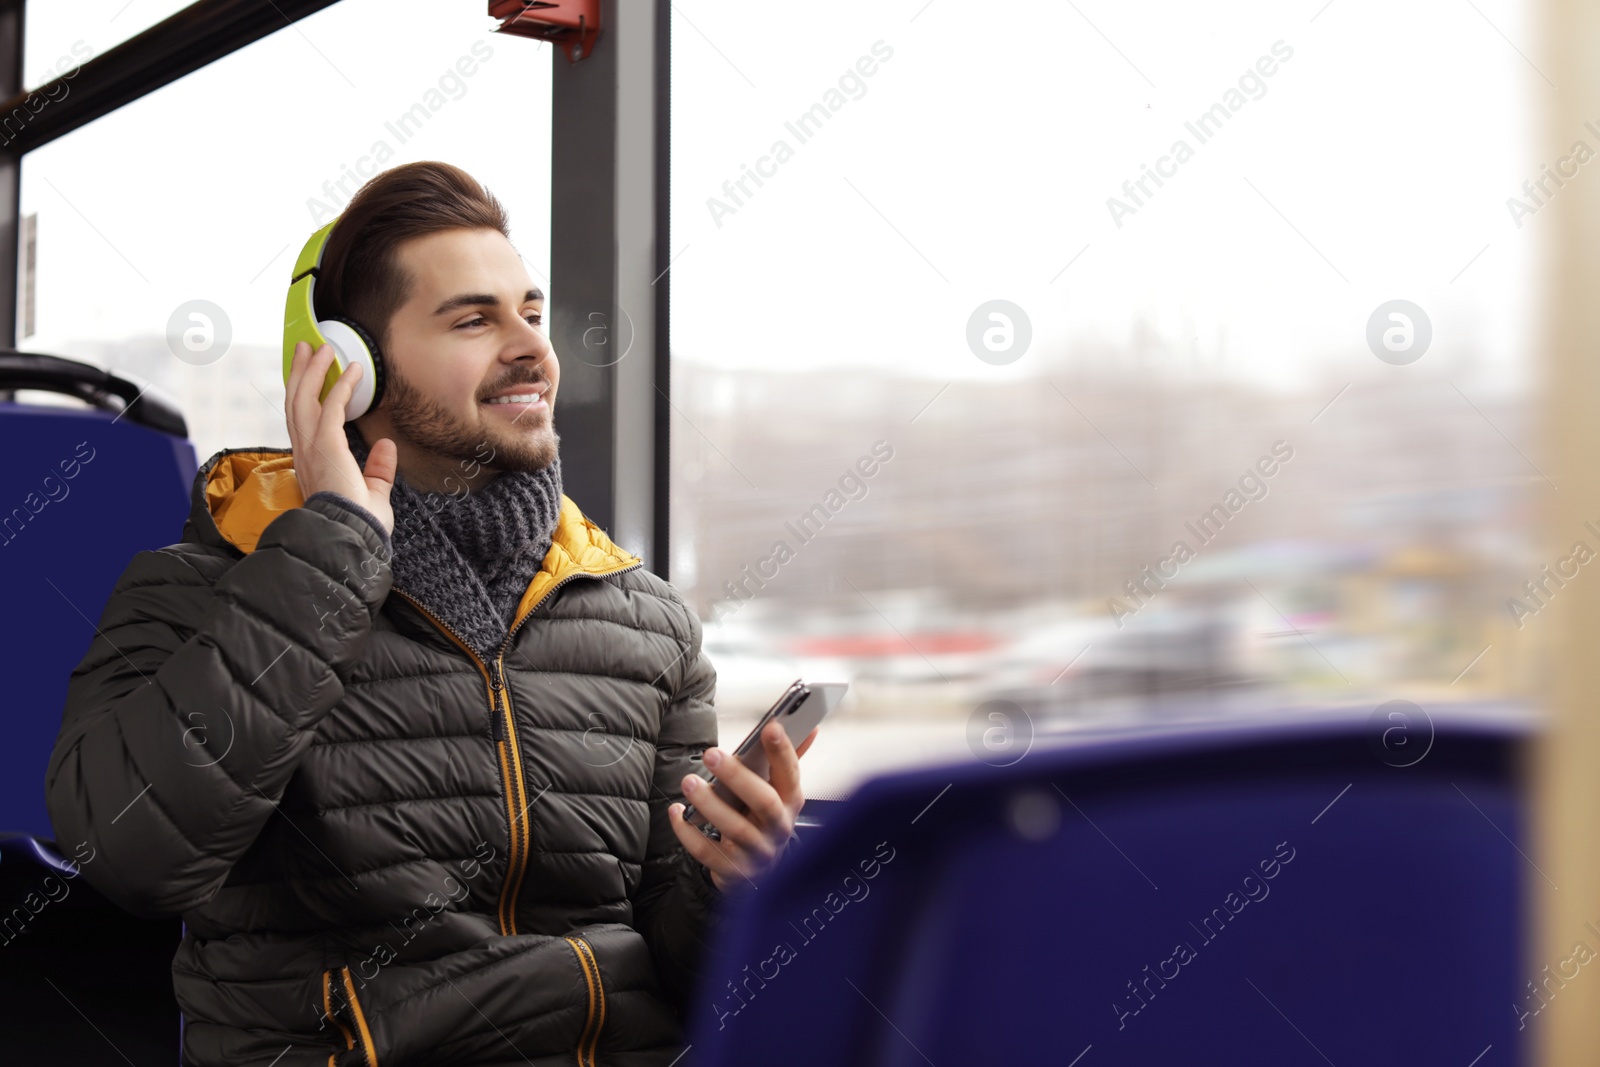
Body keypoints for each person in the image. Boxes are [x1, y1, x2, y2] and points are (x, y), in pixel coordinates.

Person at [45, 160, 815, 1067]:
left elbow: (680, 968)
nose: (531, 346)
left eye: (530, 311)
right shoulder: (206, 585)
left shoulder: (644, 624)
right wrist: (329, 555)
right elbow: (127, 853)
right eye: (474, 319)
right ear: (351, 370)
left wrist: (732, 884)